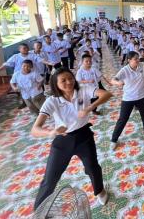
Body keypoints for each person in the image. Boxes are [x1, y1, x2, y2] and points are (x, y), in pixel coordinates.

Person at [32, 67, 112, 210]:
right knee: (50, 179)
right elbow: (35, 129)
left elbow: (106, 94)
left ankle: (100, 191)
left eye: (70, 78)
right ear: (55, 84)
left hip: (83, 136)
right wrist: (50, 133)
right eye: (63, 80)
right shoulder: (52, 101)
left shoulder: (83, 90)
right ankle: (39, 210)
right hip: (62, 140)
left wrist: (89, 108)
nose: (68, 82)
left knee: (92, 168)